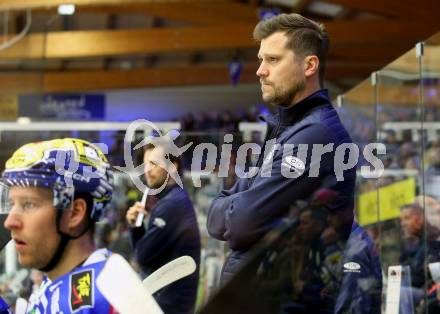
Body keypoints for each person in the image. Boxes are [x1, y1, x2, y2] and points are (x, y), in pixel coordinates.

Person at [207, 13, 356, 285]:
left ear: (310, 65)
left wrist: (232, 206)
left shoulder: (315, 135)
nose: (260, 70)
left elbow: (241, 223)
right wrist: (232, 206)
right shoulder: (289, 130)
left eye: (273, 60)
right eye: (261, 59)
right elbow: (215, 217)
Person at [1, 138, 116, 313]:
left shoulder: (107, 294)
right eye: (12, 204)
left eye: (29, 204)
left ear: (75, 213)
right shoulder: (59, 279)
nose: (10, 222)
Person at [126, 141, 201, 314]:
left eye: (153, 163)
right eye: (145, 164)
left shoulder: (171, 205)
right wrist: (135, 226)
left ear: (173, 166)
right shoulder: (173, 200)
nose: (147, 170)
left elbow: (142, 257)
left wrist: (135, 229)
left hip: (168, 307)